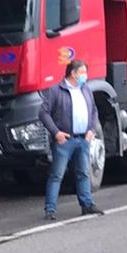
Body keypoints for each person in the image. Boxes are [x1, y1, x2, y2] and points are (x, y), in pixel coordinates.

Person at [38, 59, 104, 221]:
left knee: (83, 173)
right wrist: (56, 133)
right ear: (73, 73)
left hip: (83, 139)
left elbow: (94, 110)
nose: (85, 76)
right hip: (64, 141)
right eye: (82, 73)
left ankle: (87, 204)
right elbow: (43, 113)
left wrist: (91, 130)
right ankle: (50, 209)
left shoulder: (86, 89)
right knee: (56, 175)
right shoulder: (55, 90)